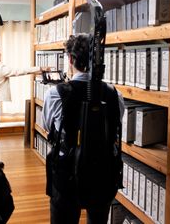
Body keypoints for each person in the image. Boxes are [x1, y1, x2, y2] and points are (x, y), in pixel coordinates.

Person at [43, 34, 125, 224]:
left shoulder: (56, 93)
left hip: (66, 173)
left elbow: (48, 126)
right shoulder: (115, 94)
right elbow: (115, 125)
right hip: (103, 172)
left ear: (70, 59)